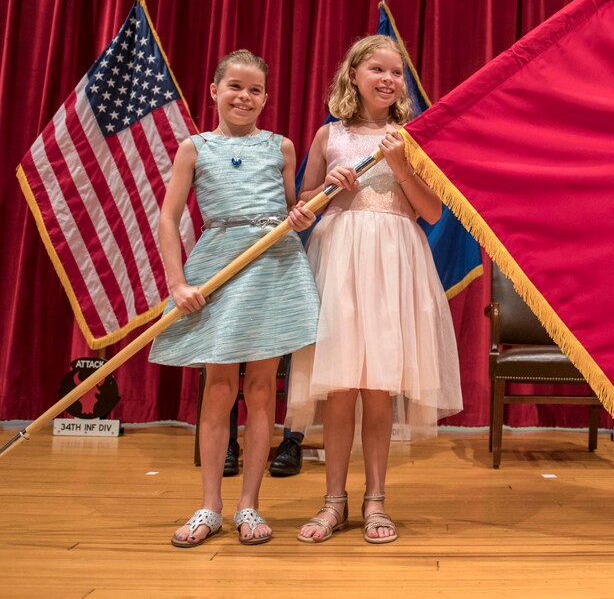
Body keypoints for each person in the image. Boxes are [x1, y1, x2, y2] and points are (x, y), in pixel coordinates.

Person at [287, 35, 462, 544]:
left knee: (379, 386)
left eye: (396, 72)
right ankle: (333, 501)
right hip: (339, 257)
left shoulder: (411, 136)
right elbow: (305, 202)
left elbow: (431, 213)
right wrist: (325, 192)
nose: (388, 79)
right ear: (354, 75)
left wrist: (403, 166)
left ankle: (376, 500)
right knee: (340, 386)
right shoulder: (329, 136)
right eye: (377, 70)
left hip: (392, 260)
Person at [150, 50, 320, 547]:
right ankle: (209, 507)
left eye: (254, 90)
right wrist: (178, 283)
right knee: (219, 387)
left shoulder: (281, 147)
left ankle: (250, 506)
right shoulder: (194, 148)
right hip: (218, 266)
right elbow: (167, 218)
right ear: (214, 91)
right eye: (235, 87)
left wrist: (300, 216)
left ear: (266, 98)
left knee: (264, 386)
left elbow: (291, 207)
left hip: (273, 265)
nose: (244, 97)